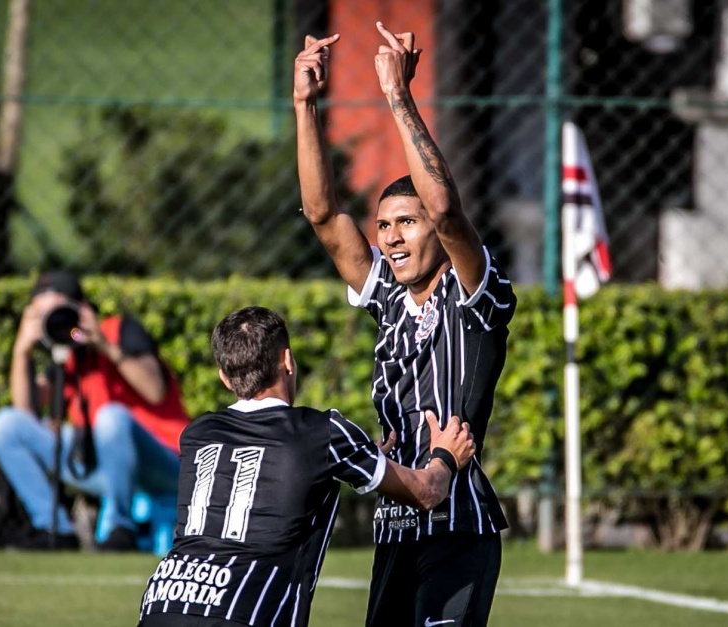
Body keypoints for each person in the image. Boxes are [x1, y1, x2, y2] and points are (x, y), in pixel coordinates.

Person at [294, 23, 517, 627]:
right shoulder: (390, 297)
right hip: (396, 525)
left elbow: (445, 209)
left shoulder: (478, 298)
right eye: (384, 224)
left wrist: (397, 95)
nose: (391, 236)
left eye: (406, 223)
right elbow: (321, 214)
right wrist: (305, 106)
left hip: (457, 525)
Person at [137, 306, 475, 627]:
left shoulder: (197, 434)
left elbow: (265, 474)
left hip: (161, 602)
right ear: (287, 360)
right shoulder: (322, 433)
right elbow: (427, 492)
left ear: (224, 377)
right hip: (246, 610)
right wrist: (446, 456)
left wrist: (362, 456)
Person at [0, 271, 190, 551]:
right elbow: (26, 414)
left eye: (60, 311)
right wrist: (22, 351)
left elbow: (155, 390)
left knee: (111, 418)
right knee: (6, 425)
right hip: (105, 469)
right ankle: (54, 529)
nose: (56, 322)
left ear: (82, 309)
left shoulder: (119, 331)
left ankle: (121, 528)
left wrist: (102, 345)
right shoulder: (67, 356)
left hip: (166, 461)